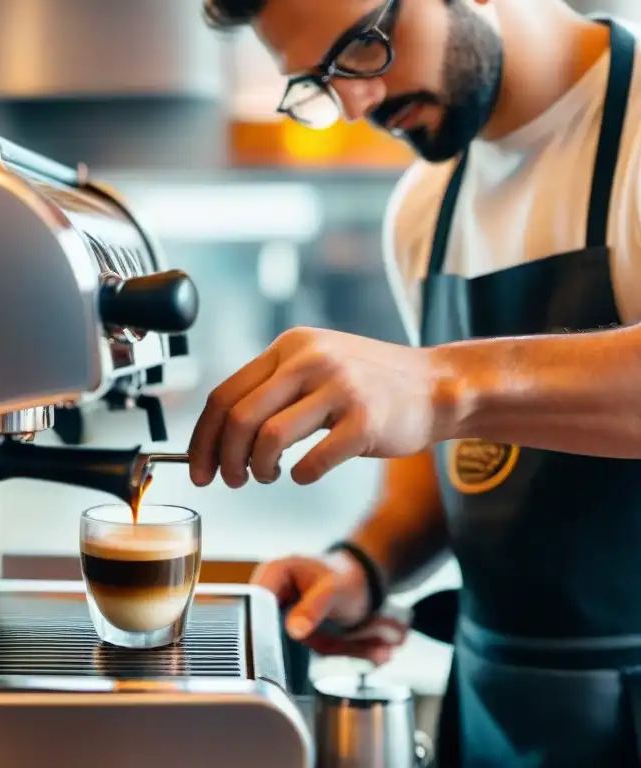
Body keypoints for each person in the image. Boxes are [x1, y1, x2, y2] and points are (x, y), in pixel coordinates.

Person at [192, 1, 641, 765]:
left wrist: (437, 383)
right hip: (493, 706)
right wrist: (362, 565)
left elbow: (451, 399)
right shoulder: (421, 211)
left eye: (365, 47)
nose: (356, 103)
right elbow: (464, 458)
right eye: (320, 81)